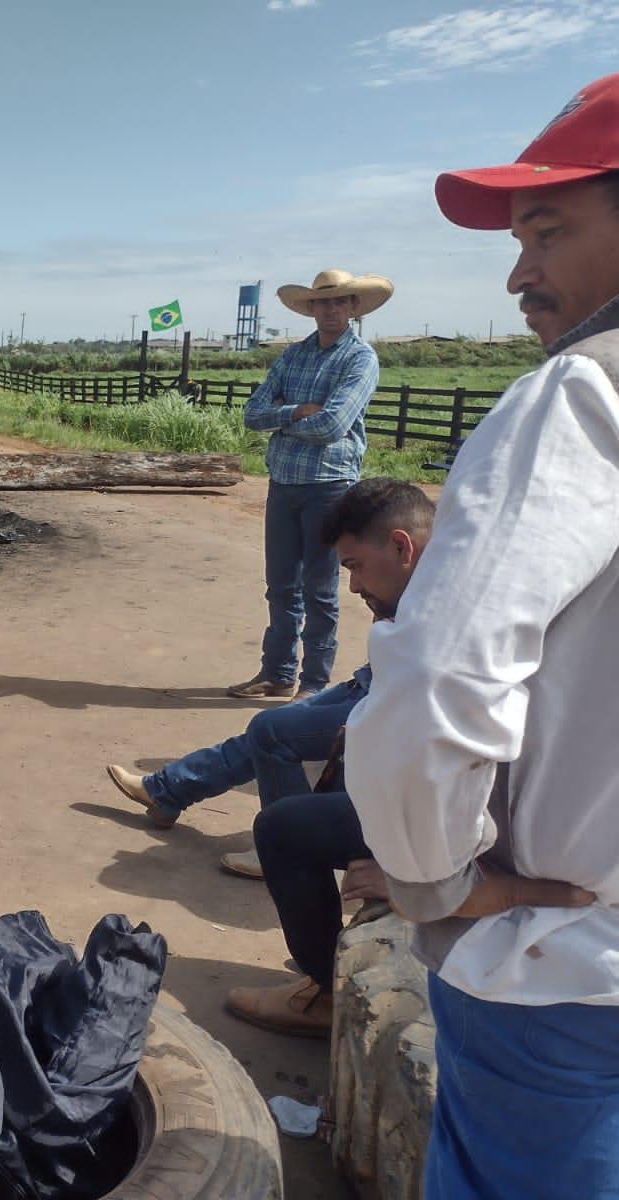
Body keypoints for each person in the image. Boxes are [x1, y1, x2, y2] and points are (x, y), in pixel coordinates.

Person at [344, 74, 619, 1199]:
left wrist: (433, 880)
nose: (517, 274)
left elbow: (436, 680)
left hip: (565, 975)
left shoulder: (580, 396)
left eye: (546, 232)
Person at [220, 479, 433, 1037]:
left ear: (402, 546)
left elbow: (480, 781)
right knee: (280, 740)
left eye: (356, 567)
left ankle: (326, 992)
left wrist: (415, 875)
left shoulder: (447, 634)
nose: (354, 585)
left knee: (284, 830)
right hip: (429, 806)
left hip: (466, 830)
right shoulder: (427, 605)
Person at [230, 269, 389, 701]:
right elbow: (253, 413)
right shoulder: (293, 355)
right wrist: (298, 411)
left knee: (319, 588)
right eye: (322, 302)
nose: (330, 309)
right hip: (285, 480)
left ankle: (314, 684)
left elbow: (333, 424)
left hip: (329, 484)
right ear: (311, 308)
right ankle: (278, 673)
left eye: (339, 301)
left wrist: (282, 417)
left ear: (353, 307)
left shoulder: (359, 359)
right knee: (281, 585)